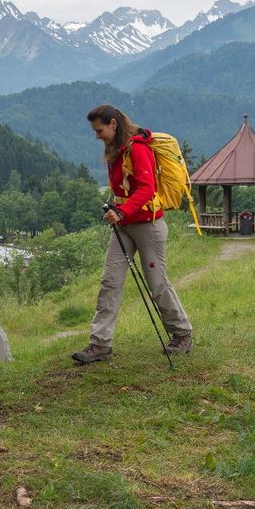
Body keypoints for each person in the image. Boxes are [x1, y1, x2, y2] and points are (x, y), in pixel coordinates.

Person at [72, 104, 193, 364]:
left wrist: (122, 211)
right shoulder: (115, 149)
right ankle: (100, 344)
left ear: (113, 124)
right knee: (110, 281)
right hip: (123, 225)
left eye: (99, 130)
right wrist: (117, 209)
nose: (97, 136)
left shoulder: (138, 148)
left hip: (148, 225)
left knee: (156, 282)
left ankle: (182, 334)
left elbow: (147, 189)